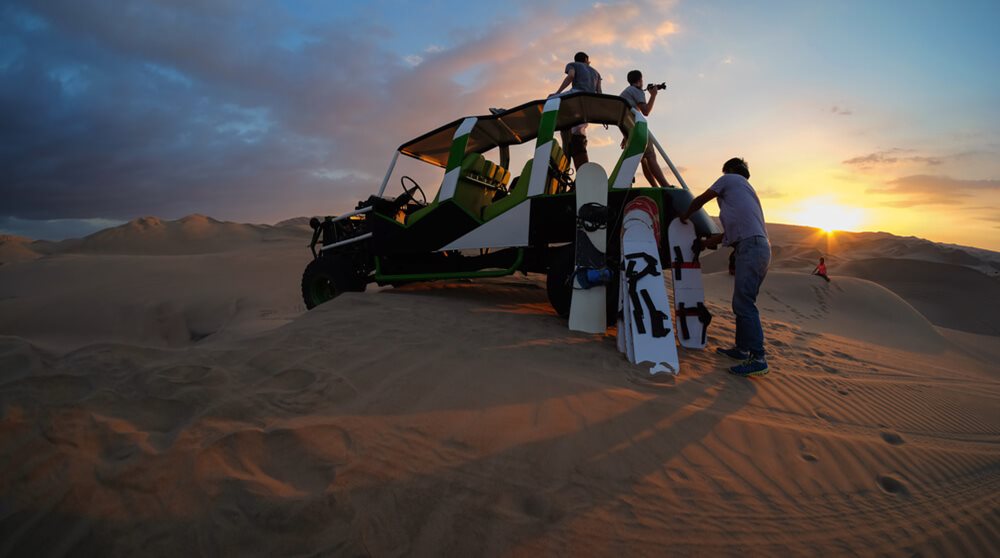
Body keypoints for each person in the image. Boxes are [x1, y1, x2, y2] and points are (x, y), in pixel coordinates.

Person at [679, 157, 771, 377]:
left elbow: (702, 199)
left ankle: (758, 358)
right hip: (757, 248)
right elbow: (726, 236)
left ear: (729, 170)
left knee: (745, 304)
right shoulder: (746, 192)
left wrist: (685, 215)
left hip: (751, 248)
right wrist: (704, 243)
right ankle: (741, 349)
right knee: (742, 302)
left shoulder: (729, 179)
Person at [619, 70, 672, 188]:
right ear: (639, 80)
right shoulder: (636, 91)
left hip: (629, 127)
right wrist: (653, 95)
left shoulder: (626, 92)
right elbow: (646, 111)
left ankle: (655, 186)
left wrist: (625, 135)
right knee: (650, 156)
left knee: (643, 159)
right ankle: (665, 185)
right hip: (637, 127)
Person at [552, 51, 602, 169]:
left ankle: (566, 159)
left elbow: (570, 76)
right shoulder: (597, 73)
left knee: (550, 101)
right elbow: (599, 93)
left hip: (575, 96)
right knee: (578, 132)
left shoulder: (573, 65)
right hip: (588, 102)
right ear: (586, 59)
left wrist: (557, 93)